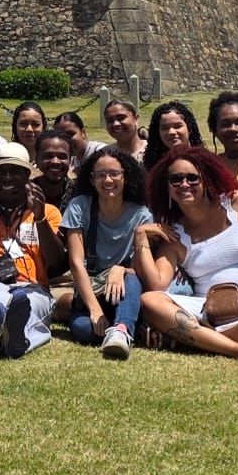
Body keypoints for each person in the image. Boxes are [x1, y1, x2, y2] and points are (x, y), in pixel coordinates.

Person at [135, 146, 238, 362]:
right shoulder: (174, 235)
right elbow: (157, 286)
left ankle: (191, 339)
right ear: (167, 187)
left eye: (192, 178)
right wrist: (139, 236)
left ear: (206, 180)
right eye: (176, 179)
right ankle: (237, 350)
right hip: (206, 311)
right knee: (150, 301)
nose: (184, 184)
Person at [0, 145, 64, 359]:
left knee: (28, 304)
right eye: (1, 172)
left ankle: (2, 339)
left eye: (15, 171)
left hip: (32, 286)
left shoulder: (48, 211)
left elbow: (56, 260)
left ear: (27, 175)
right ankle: (12, 337)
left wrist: (40, 217)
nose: (7, 177)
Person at [60, 147, 150, 359]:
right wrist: (94, 309)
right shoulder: (79, 206)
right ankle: (131, 326)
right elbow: (76, 263)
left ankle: (120, 330)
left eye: (114, 174)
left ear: (125, 177)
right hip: (92, 288)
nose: (108, 180)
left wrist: (121, 270)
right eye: (101, 175)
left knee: (131, 279)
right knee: (84, 330)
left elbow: (141, 268)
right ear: (92, 180)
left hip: (126, 288)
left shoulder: (142, 214)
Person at [142, 100, 203, 171]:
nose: (171, 132)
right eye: (165, 128)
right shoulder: (154, 167)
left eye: (177, 126)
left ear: (189, 128)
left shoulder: (205, 161)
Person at [31, 131, 74, 208]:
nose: (55, 162)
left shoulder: (77, 194)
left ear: (70, 160)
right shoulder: (26, 194)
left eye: (62, 156)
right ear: (37, 159)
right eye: (48, 156)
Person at [102, 98, 148, 164]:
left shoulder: (153, 151)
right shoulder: (104, 155)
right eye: (110, 121)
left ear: (136, 119)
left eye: (121, 118)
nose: (115, 124)